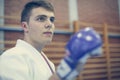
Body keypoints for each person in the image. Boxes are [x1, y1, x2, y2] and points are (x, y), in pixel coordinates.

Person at [0, 0, 102, 80]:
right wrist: (64, 70)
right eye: (41, 18)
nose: (49, 24)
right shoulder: (12, 58)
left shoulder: (48, 62)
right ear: (25, 26)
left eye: (52, 19)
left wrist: (74, 67)